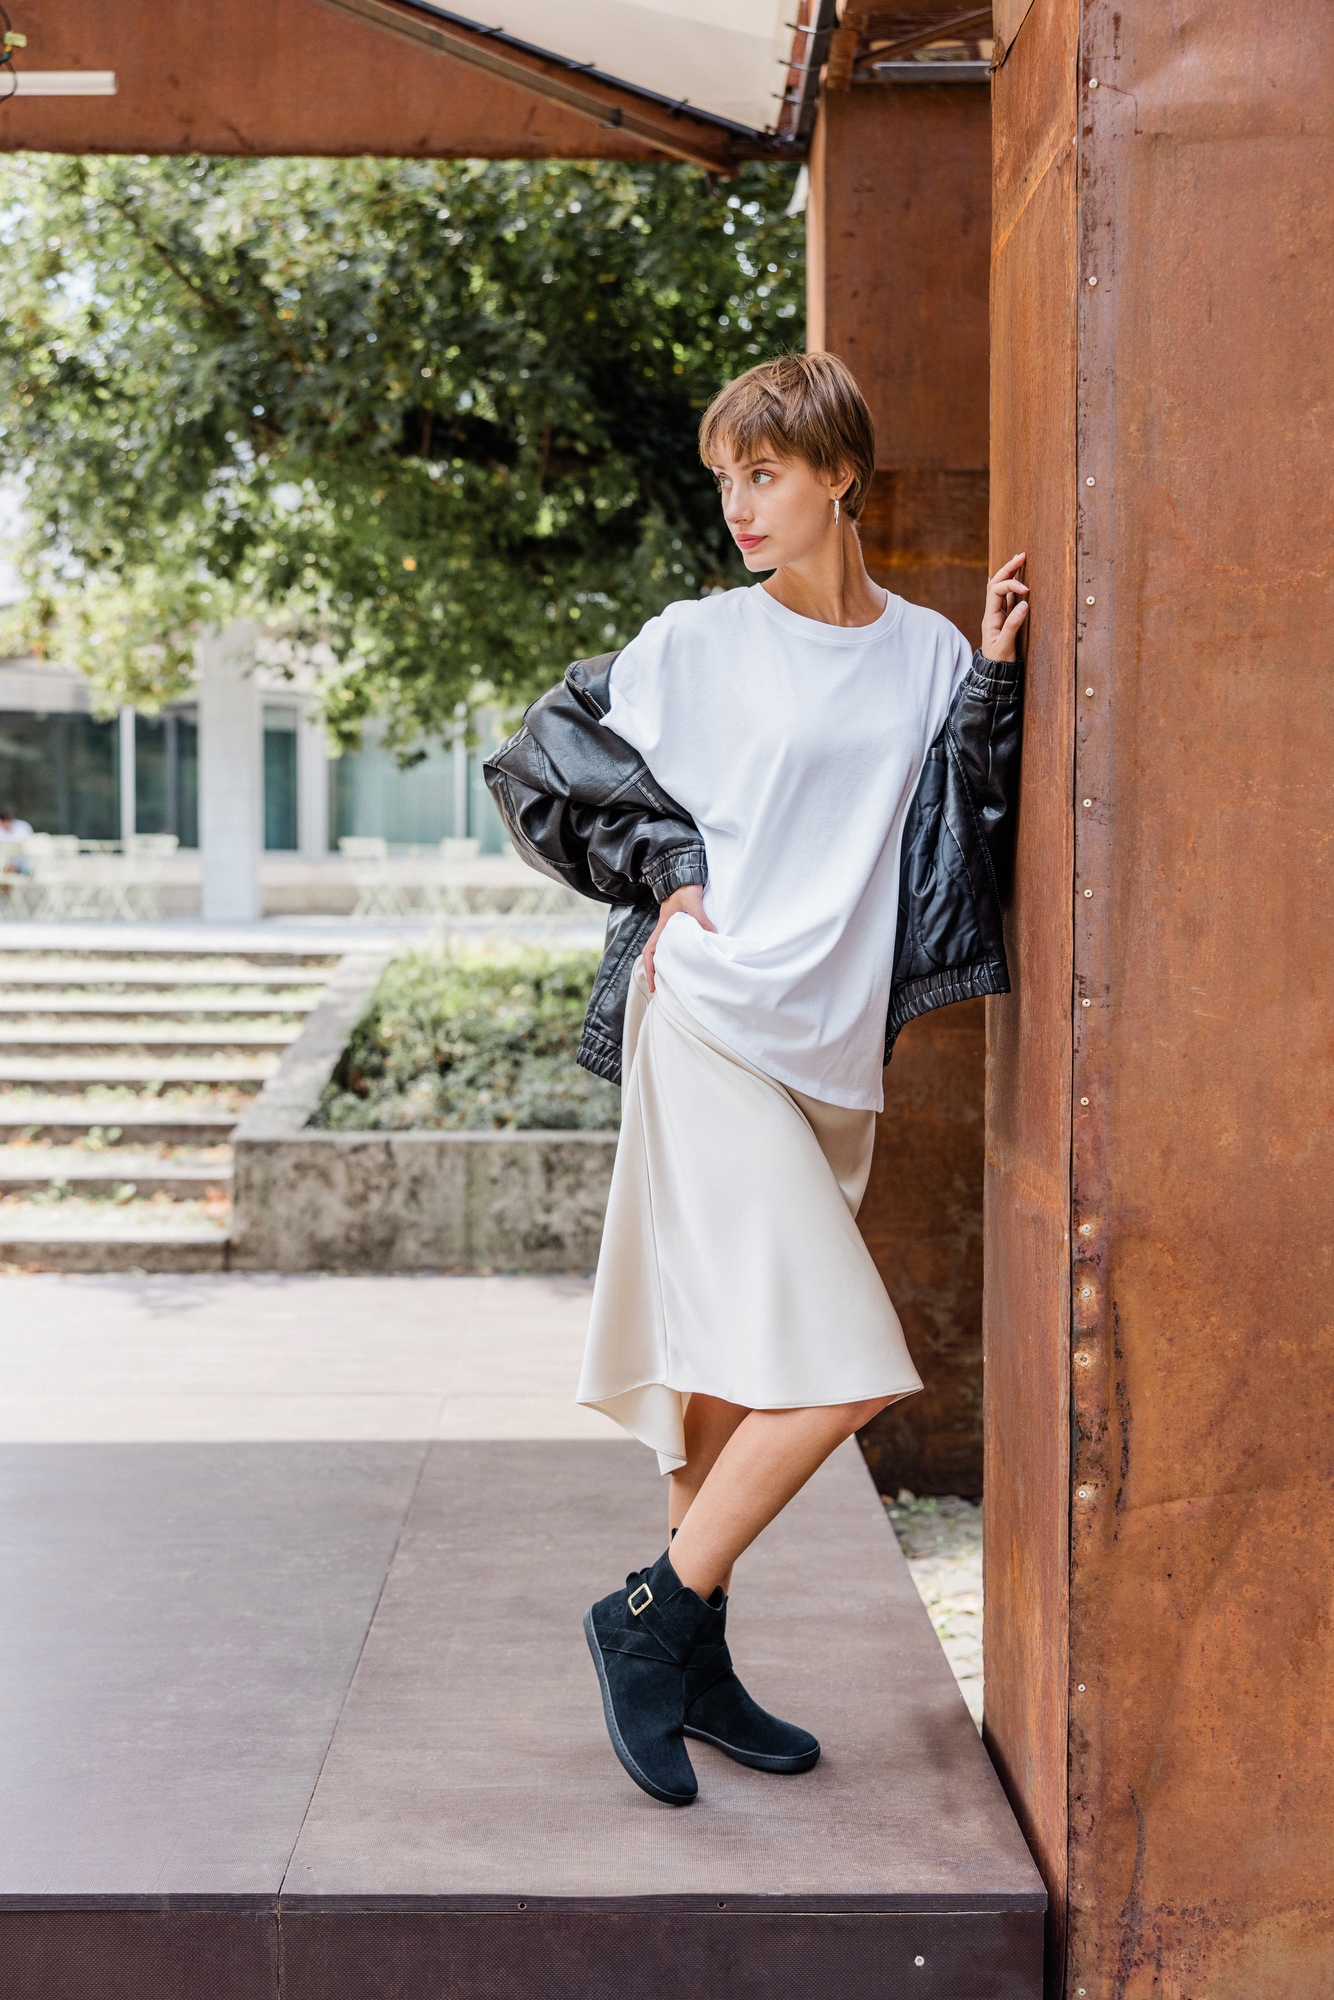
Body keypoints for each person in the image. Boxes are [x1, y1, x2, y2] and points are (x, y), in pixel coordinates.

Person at [485, 352, 1027, 1806]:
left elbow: (958, 830)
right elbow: (540, 758)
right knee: (846, 1367)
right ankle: (648, 1623)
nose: (738, 501)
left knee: (730, 1376)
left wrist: (994, 682)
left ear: (838, 473)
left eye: (765, 473)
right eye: (726, 475)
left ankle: (700, 1659)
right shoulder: (694, 642)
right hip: (713, 1022)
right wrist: (661, 871)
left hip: (829, 1049)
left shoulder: (921, 654)